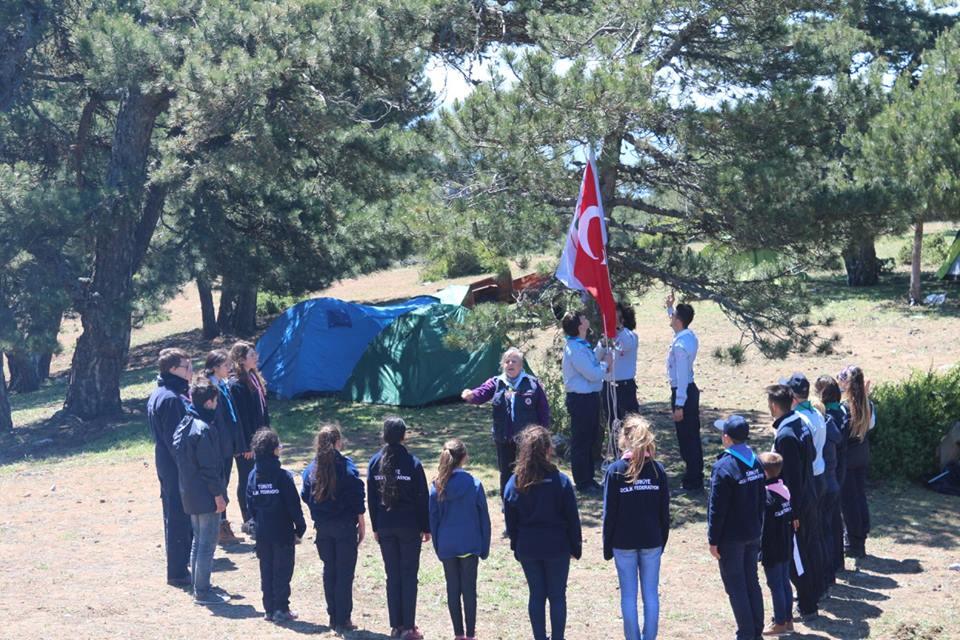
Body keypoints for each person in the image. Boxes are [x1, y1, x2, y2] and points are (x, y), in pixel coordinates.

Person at [504, 426, 582, 640]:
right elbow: (572, 519)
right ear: (548, 449)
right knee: (557, 596)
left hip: (528, 547)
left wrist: (516, 546)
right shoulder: (561, 481)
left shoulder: (515, 482)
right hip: (557, 547)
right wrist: (575, 547)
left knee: (536, 595)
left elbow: (510, 521)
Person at [602, 415, 670, 640]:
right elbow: (664, 512)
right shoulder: (658, 470)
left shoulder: (615, 470)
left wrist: (607, 545)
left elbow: (609, 513)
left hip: (624, 542)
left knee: (628, 597)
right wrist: (662, 540)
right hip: (652, 540)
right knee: (651, 595)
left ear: (624, 439)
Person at [367, 417, 430, 640]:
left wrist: (375, 526)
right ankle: (408, 627)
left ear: (384, 435)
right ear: (404, 436)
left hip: (385, 526)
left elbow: (372, 499)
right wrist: (426, 527)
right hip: (408, 526)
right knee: (408, 575)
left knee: (392, 575)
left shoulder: (375, 462)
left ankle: (396, 625)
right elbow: (422, 498)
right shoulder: (413, 463)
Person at [461, 347, 550, 500]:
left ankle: (530, 499)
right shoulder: (496, 383)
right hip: (504, 436)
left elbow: (544, 411)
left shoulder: (533, 384)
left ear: (521, 365)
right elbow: (481, 393)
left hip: (529, 439)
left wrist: (543, 435)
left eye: (514, 361)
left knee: (530, 468)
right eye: (506, 361)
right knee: (506, 471)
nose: (510, 364)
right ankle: (508, 501)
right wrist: (470, 395)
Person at [301, 424, 366, 632]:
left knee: (329, 570)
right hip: (345, 527)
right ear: (338, 442)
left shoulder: (311, 469)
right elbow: (357, 495)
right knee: (345, 573)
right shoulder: (347, 467)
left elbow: (305, 495)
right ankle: (343, 618)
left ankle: (332, 617)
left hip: (323, 528)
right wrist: (362, 524)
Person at [767, 384, 822, 621]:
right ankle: (811, 598)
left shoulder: (786, 435)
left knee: (796, 557)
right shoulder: (801, 423)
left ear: (773, 406)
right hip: (808, 496)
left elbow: (792, 478)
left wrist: (793, 512)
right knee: (804, 551)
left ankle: (808, 605)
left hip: (797, 504)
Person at [708, 415, 766, 640]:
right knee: (752, 581)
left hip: (731, 539)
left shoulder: (724, 466)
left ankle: (746, 633)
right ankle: (756, 630)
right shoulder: (757, 461)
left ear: (727, 438)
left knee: (736, 586)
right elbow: (763, 499)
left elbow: (717, 508)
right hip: (753, 533)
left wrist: (713, 540)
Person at [172, 376, 230, 605]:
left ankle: (199, 587)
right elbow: (209, 468)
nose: (216, 406)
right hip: (206, 494)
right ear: (209, 402)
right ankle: (203, 592)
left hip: (189, 492)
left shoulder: (185, 422)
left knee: (198, 540)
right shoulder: (203, 429)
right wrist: (218, 495)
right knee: (207, 543)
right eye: (216, 402)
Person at [428, 439, 492, 640]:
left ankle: (458, 634)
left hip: (447, 544)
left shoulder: (436, 486)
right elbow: (484, 518)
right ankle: (471, 634)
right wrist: (484, 547)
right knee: (469, 590)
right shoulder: (474, 484)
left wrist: (439, 547)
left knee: (452, 589)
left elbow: (433, 520)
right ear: (464, 458)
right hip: (470, 543)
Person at [246, 427, 307, 623]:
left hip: (263, 531)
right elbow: (293, 505)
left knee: (267, 569)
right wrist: (300, 527)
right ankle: (281, 608)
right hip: (282, 532)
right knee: (282, 571)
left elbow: (250, 504)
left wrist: (256, 523)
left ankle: (269, 609)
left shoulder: (252, 476)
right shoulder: (282, 477)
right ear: (274, 450)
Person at [147, 348, 194, 586]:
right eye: (187, 367)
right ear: (173, 369)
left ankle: (181, 565)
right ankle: (177, 571)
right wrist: (189, 469)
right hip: (174, 464)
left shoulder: (166, 392)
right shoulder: (170, 398)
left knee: (177, 513)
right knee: (177, 515)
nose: (191, 372)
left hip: (167, 461)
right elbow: (177, 441)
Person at [781, 372, 828, 590]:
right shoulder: (816, 413)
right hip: (818, 476)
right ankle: (820, 583)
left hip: (808, 481)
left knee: (804, 541)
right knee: (814, 537)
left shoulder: (801, 420)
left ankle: (810, 589)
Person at [561, 310, 612, 494]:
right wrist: (606, 364)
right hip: (580, 399)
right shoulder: (574, 348)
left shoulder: (581, 345)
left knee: (589, 438)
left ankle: (589, 478)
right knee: (581, 440)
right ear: (579, 325)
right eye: (583, 318)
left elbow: (592, 362)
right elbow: (593, 373)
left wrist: (601, 347)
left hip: (589, 398)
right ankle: (582, 482)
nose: (586, 318)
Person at [229, 340, 268, 538]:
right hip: (246, 444)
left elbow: (262, 411)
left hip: (261, 440)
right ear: (242, 359)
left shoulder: (254, 378)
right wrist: (246, 445)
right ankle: (248, 520)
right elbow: (241, 419)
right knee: (246, 479)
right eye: (252, 355)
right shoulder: (236, 384)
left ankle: (258, 516)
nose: (256, 357)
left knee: (259, 477)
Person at [204, 349, 243, 545]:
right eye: (226, 365)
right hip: (218, 446)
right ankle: (219, 527)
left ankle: (222, 524)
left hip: (227, 444)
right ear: (214, 368)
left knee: (224, 483)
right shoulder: (210, 388)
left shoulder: (223, 385)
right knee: (219, 486)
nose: (229, 368)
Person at [665, 293, 703, 492]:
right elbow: (676, 325)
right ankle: (694, 474)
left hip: (683, 392)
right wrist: (670, 308)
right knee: (691, 436)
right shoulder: (687, 336)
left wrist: (679, 404)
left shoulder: (679, 346)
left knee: (687, 438)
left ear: (678, 321)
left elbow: (680, 377)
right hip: (689, 390)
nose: (670, 319)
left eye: (673, 317)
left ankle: (692, 480)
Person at [838, 365, 875, 569]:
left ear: (846, 383)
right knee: (859, 498)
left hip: (848, 461)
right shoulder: (867, 405)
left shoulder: (845, 408)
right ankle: (859, 538)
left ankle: (854, 543)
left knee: (848, 504)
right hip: (862, 457)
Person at [815, 375, 846, 588]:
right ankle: (836, 565)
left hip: (826, 481)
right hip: (836, 477)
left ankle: (826, 574)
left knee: (824, 529)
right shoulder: (841, 413)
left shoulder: (825, 423)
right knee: (834, 525)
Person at [758, 452, 794, 636]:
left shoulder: (766, 496)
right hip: (786, 543)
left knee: (775, 585)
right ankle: (788, 620)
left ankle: (779, 622)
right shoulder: (785, 490)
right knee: (785, 582)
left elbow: (763, 526)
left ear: (763, 472)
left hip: (772, 547)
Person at [596, 303, 640, 427]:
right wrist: (603, 344)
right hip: (608, 388)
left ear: (623, 319)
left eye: (615, 317)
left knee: (630, 427)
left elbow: (625, 345)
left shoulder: (631, 336)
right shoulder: (606, 337)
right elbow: (596, 358)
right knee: (613, 426)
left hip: (624, 388)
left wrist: (618, 328)